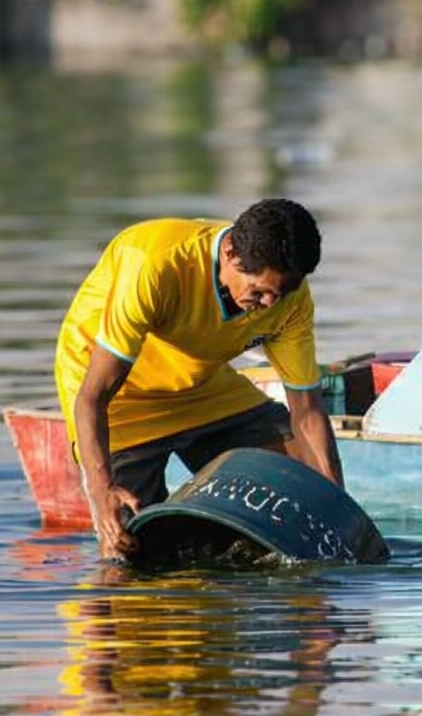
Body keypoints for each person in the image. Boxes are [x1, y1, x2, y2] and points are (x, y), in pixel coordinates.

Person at [55, 198, 342, 558]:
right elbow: (92, 397)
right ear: (230, 255)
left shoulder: (291, 300)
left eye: (281, 292)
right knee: (129, 547)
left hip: (202, 385)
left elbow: (307, 410)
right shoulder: (156, 264)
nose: (271, 304)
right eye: (258, 292)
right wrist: (101, 490)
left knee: (302, 483)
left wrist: (337, 506)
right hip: (120, 397)